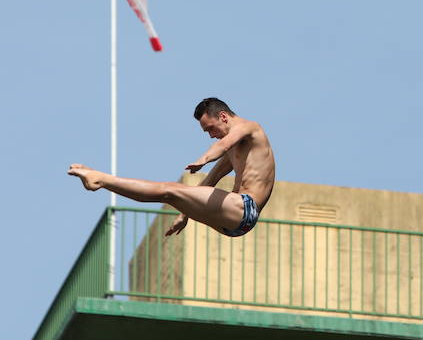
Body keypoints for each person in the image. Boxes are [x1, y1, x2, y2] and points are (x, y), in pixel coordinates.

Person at [68, 97, 276, 238]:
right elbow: (211, 179)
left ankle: (101, 179)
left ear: (223, 116)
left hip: (245, 209)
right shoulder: (238, 151)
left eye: (211, 129)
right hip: (232, 222)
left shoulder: (250, 127)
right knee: (170, 195)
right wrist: (184, 214)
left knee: (168, 189)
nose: (211, 135)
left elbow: (221, 146)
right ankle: (102, 181)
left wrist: (203, 158)